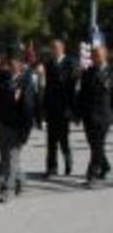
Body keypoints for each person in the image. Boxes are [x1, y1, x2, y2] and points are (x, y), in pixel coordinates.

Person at [0, 50, 36, 203]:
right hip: (2, 125)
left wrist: (26, 131)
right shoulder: (4, 80)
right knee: (5, 158)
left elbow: (29, 108)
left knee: (11, 157)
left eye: (15, 62)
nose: (12, 65)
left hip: (17, 127)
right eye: (10, 63)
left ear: (21, 64)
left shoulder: (26, 82)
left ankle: (7, 189)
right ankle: (21, 180)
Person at [78, 44, 112, 189]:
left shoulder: (111, 72)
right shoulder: (88, 72)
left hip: (104, 114)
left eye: (97, 54)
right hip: (88, 114)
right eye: (93, 55)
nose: (94, 57)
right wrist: (77, 112)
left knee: (97, 145)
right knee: (94, 145)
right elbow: (82, 95)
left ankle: (91, 175)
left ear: (105, 55)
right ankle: (105, 166)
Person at [43, 39, 78, 178]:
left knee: (63, 139)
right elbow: (47, 87)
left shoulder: (70, 63)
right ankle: (52, 168)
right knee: (51, 140)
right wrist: (44, 107)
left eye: (56, 48)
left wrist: (71, 108)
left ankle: (68, 163)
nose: (53, 50)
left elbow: (72, 88)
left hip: (64, 107)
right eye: (52, 48)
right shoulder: (49, 64)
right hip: (52, 106)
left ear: (62, 48)